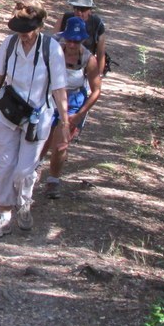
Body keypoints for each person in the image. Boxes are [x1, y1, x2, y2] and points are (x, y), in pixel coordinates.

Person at [0, 1, 67, 237]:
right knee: (3, 167)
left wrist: (64, 123)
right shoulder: (10, 43)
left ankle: (24, 203)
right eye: (19, 31)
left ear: (39, 27)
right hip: (6, 112)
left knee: (24, 170)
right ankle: (4, 215)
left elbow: (59, 88)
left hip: (37, 116)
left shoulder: (51, 48)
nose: (23, 36)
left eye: (27, 31)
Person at [42, 16, 102, 199]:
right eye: (69, 40)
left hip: (74, 101)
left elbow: (96, 91)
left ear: (82, 40)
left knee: (60, 144)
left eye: (76, 41)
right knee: (42, 139)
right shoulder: (54, 51)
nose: (72, 45)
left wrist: (80, 114)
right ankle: (30, 171)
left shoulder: (88, 59)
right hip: (51, 98)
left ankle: (53, 180)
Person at [55, 0, 107, 74]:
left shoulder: (97, 24)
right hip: (61, 66)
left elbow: (101, 52)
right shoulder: (65, 18)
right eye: (76, 8)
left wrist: (99, 75)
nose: (79, 12)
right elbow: (54, 43)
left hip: (85, 68)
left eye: (83, 9)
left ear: (90, 10)